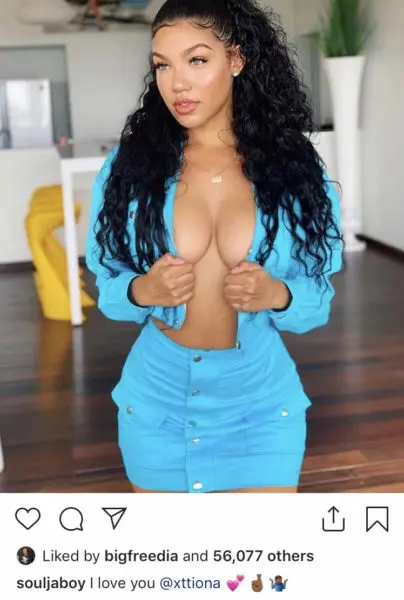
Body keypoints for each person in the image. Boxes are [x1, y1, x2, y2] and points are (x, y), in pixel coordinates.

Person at [86, 0, 343, 494]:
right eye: (163, 65)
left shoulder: (293, 167)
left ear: (237, 60)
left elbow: (317, 302)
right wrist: (142, 290)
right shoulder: (130, 166)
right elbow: (108, 284)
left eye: (197, 60)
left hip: (259, 407)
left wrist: (277, 295)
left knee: (259, 548)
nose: (177, 83)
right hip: (157, 403)